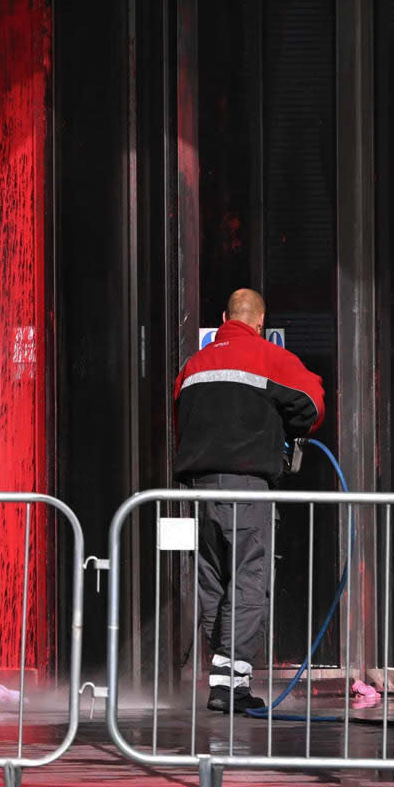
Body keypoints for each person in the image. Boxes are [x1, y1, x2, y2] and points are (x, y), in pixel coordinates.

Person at [171, 288, 325, 720]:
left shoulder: (194, 364)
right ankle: (233, 684)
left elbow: (181, 410)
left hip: (200, 488)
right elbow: (312, 403)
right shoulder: (267, 356)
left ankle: (221, 681)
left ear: (224, 317)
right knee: (248, 578)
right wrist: (288, 429)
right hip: (245, 485)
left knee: (213, 580)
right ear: (259, 322)